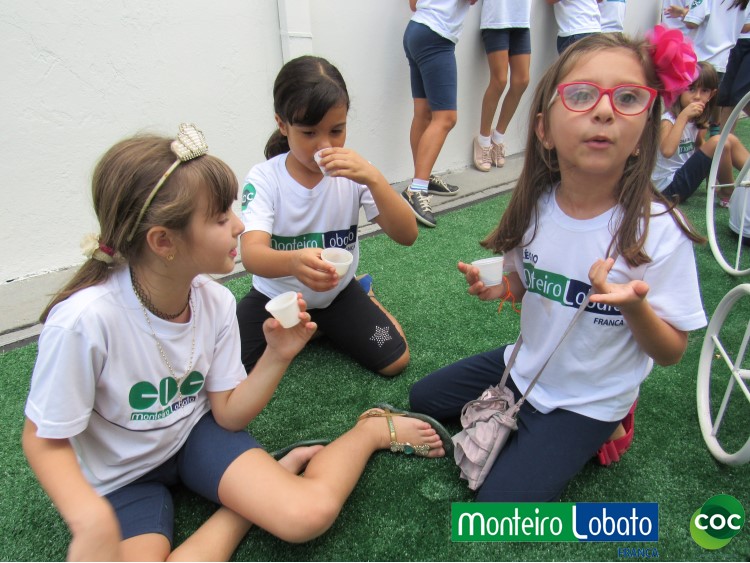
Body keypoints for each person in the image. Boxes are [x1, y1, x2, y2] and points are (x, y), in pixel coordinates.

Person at [22, 125, 450, 561]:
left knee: (309, 515)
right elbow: (42, 439)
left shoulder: (215, 301)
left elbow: (227, 414)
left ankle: (370, 430)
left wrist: (277, 355)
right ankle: (249, 503)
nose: (240, 224)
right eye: (220, 217)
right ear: (163, 241)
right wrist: (87, 517)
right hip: (122, 480)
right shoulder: (83, 322)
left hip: (196, 438)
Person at [409, 32, 708, 502]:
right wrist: (502, 288)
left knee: (496, 515)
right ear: (544, 130)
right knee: (421, 400)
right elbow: (526, 283)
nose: (605, 110)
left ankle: (611, 427)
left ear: (644, 133)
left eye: (628, 98)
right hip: (524, 365)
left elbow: (671, 352)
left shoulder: (659, 231)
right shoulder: (535, 206)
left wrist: (634, 308)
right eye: (582, 94)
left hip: (589, 400)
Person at [236, 56, 416, 377]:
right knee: (232, 369)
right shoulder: (265, 179)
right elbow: (251, 255)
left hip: (337, 295)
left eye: (337, 130)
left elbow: (407, 235)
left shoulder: (356, 174)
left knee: (395, 358)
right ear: (282, 125)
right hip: (277, 299)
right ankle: (316, 328)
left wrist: (374, 179)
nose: (324, 146)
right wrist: (293, 262)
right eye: (309, 133)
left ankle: (361, 295)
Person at [401, 0, 479, 227]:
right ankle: (417, 188)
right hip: (436, 35)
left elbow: (414, 4)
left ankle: (422, 178)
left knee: (423, 113)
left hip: (416, 31)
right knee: (446, 118)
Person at [652, 61, 750, 206]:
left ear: (712, 94)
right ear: (679, 90)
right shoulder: (668, 120)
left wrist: (712, 169)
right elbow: (667, 151)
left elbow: (699, 146)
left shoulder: (697, 119)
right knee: (719, 142)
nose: (697, 96)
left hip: (682, 179)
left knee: (728, 139)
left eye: (704, 91)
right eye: (691, 89)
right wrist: (683, 117)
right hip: (665, 190)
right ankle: (727, 192)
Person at [472, 0, 531, 172]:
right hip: (496, 19)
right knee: (499, 81)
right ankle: (483, 140)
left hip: (521, 20)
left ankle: (497, 137)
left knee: (522, 81)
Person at [684, 0, 750, 136]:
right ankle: (720, 141)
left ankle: (715, 140)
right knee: (725, 98)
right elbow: (744, 26)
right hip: (725, 52)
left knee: (736, 95)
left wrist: (683, 13)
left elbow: (692, 21)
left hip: (707, 56)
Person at [718, 10, 750, 128]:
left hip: (742, 38)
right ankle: (723, 137)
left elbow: (745, 27)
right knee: (726, 96)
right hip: (732, 40)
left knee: (739, 94)